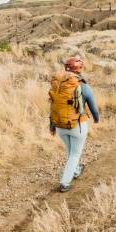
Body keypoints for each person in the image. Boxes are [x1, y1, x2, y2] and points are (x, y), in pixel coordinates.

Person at [49, 57, 100, 192]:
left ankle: (76, 170)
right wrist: (96, 119)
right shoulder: (83, 86)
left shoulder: (59, 85)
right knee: (74, 154)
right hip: (77, 125)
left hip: (60, 126)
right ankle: (65, 183)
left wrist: (52, 125)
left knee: (70, 151)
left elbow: (54, 106)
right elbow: (94, 108)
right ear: (80, 69)